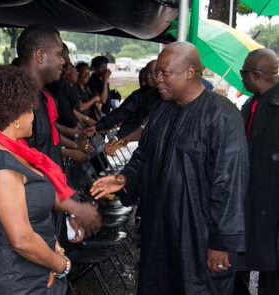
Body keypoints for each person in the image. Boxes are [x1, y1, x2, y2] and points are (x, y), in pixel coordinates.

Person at [91, 42, 248, 294]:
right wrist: (125, 178)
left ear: (190, 72)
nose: (157, 79)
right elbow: (143, 156)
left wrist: (222, 242)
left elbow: (230, 184)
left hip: (197, 234)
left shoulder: (222, 116)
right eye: (157, 72)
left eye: (165, 73)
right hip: (159, 229)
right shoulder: (161, 110)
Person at [0, 65, 70, 294]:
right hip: (19, 281)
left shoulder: (11, 151)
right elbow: (22, 240)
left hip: (36, 270)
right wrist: (61, 265)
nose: (33, 116)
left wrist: (53, 248)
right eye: (30, 109)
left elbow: (32, 215)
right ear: (16, 114)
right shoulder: (0, 167)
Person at [17, 24, 100, 237]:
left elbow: (48, 149)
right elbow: (24, 170)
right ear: (41, 56)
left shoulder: (42, 97)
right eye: (59, 55)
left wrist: (67, 206)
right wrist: (73, 208)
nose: (63, 61)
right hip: (31, 219)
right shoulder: (18, 102)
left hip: (51, 206)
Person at [233, 48, 279, 295]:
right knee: (242, 261)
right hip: (250, 199)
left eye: (243, 73)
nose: (241, 78)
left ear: (257, 75)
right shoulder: (251, 103)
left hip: (272, 203)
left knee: (270, 275)